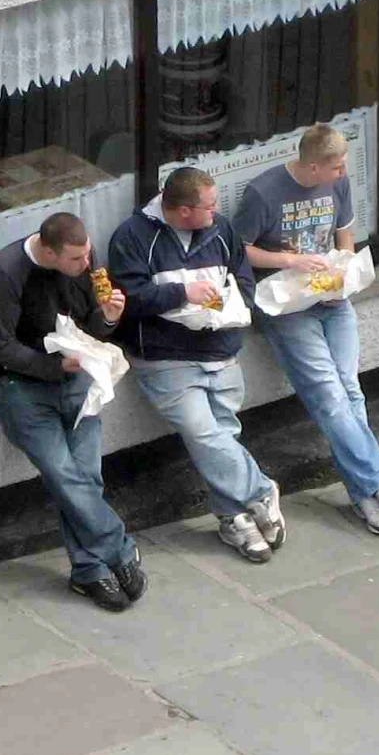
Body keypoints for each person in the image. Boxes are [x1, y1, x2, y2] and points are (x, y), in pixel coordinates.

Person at [235, 124, 379, 536]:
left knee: (350, 392)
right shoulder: (264, 193)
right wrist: (291, 262)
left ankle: (363, 496)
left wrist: (344, 273)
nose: (342, 173)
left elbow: (345, 236)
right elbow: (238, 249)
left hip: (332, 299)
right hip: (286, 306)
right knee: (331, 398)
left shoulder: (338, 183)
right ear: (312, 165)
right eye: (335, 168)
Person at [109, 167, 286, 563]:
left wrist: (225, 305)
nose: (218, 211)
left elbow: (243, 280)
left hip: (220, 349)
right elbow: (130, 300)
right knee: (202, 432)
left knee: (222, 433)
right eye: (210, 205)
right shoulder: (133, 238)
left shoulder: (221, 231)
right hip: (165, 357)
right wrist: (182, 294)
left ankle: (233, 519)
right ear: (185, 211)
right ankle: (259, 491)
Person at [0, 211, 145, 612]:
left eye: (87, 255)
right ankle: (119, 549)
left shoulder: (84, 266)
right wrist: (54, 367)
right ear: (49, 251)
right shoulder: (5, 272)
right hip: (19, 385)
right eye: (75, 260)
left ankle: (89, 570)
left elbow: (90, 326)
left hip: (76, 379)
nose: (86, 266)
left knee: (86, 474)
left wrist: (108, 317)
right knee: (63, 474)